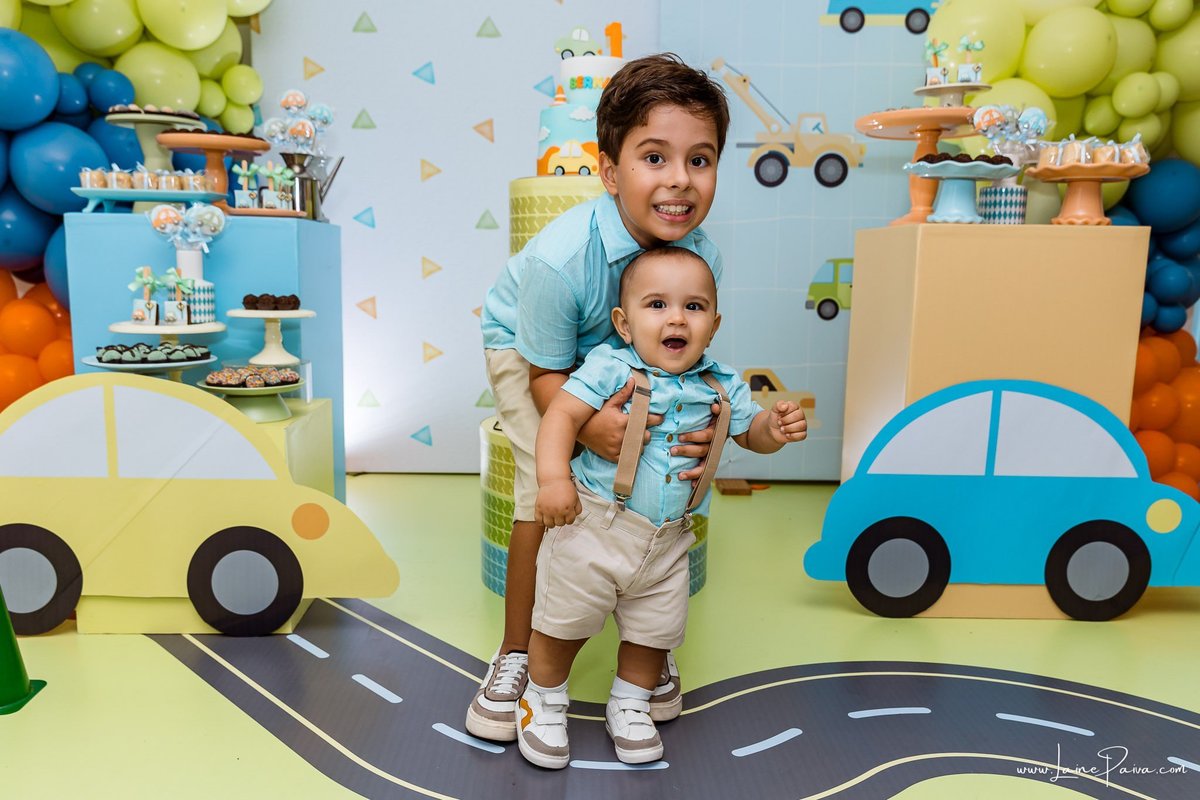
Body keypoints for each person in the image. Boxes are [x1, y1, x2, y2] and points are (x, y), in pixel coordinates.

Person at [469, 54, 731, 742]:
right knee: (544, 493)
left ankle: (649, 639)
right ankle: (518, 652)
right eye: (654, 157)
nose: (679, 180)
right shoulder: (562, 263)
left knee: (659, 472)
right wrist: (588, 431)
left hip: (628, 343)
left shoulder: (699, 254)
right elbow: (546, 372)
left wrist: (706, 424)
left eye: (700, 160)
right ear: (610, 171)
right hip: (537, 349)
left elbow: (698, 362)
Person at [516, 247, 808, 768]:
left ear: (713, 325)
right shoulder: (611, 366)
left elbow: (751, 433)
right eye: (657, 305)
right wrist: (554, 479)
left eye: (694, 307)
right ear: (625, 325)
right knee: (563, 623)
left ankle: (629, 702)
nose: (677, 318)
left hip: (669, 539)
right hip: (594, 527)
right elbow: (560, 415)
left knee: (655, 632)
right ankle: (543, 697)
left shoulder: (721, 383)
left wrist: (774, 430)